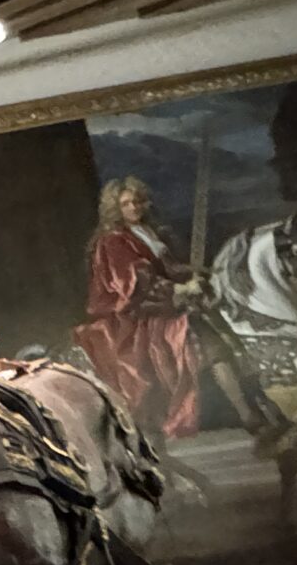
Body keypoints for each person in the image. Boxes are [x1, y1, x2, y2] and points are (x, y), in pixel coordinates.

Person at [75, 175, 207, 438]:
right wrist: (179, 289)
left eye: (137, 202)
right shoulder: (113, 241)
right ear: (115, 208)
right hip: (133, 311)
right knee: (174, 339)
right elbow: (135, 282)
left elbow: (168, 268)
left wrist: (194, 274)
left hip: (160, 302)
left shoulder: (149, 232)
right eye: (126, 204)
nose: (133, 208)